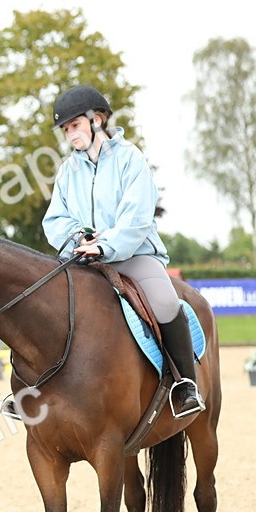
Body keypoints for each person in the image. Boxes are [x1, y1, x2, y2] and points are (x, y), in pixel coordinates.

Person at [42, 85, 205, 418]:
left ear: (97, 120)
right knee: (44, 303)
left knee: (163, 300)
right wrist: (79, 237)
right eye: (65, 129)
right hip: (81, 256)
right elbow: (55, 219)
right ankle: (36, 387)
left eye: (74, 125)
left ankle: (185, 385)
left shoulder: (131, 158)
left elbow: (137, 216)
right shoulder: (67, 171)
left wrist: (106, 244)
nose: (69, 134)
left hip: (133, 254)